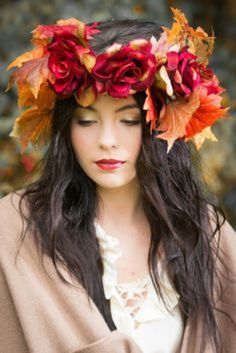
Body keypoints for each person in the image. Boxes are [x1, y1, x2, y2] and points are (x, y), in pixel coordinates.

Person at [1, 7, 236, 353]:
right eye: (86, 121)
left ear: (162, 125)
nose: (107, 140)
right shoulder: (15, 229)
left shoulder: (204, 233)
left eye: (128, 121)